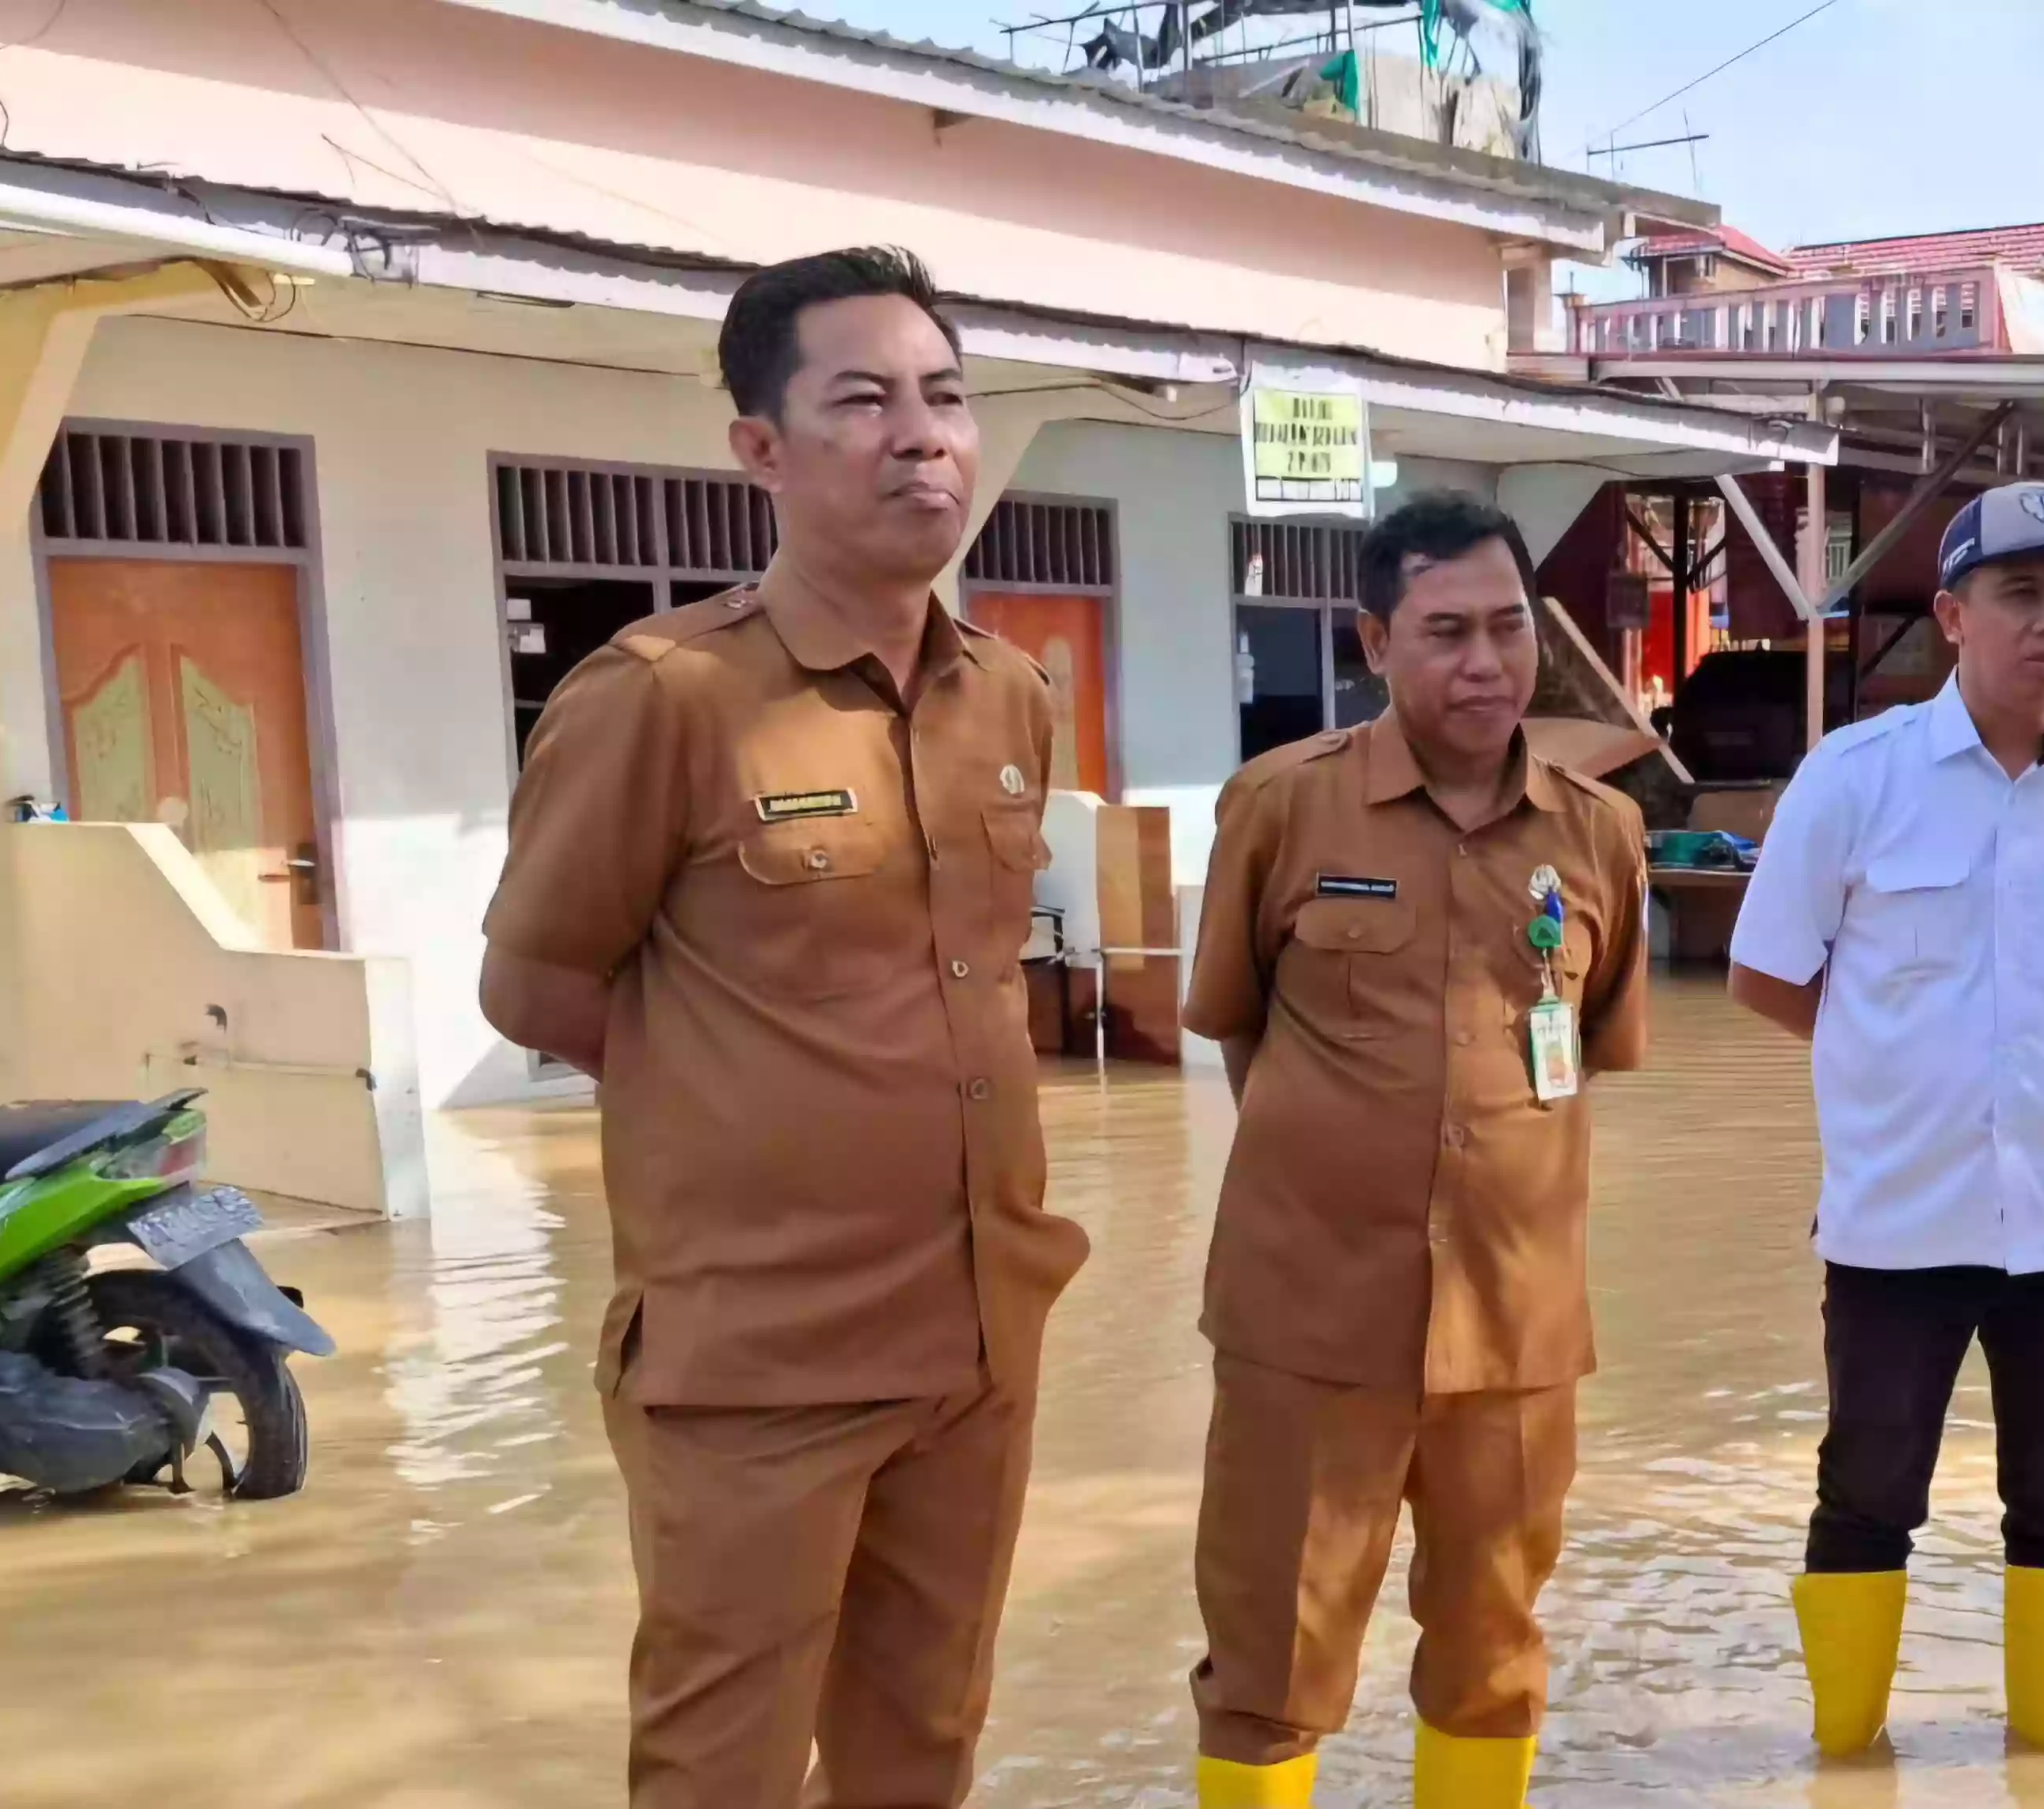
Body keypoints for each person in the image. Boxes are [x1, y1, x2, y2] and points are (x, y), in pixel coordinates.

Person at [478, 246, 1088, 1808]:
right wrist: (751, 1097)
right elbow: (537, 991)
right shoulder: (663, 698)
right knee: (724, 1767)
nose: (922, 436)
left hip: (976, 1334)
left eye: (946, 397)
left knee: (921, 1749)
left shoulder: (1008, 697)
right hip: (758, 1359)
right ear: (761, 447)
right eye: (864, 401)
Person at [1727, 482, 2044, 1758]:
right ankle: (1844, 1766)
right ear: (1954, 615)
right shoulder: (1854, 780)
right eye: (2022, 594)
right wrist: (1891, 1059)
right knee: (1865, 1500)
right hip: (1898, 1223)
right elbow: (1766, 975)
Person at [1179, 491, 1653, 1809]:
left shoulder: (1599, 833)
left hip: (1514, 1333)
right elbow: (1240, 1029)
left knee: (1494, 1658)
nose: (1487, 663)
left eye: (1510, 628)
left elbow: (1587, 1048)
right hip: (1309, 1326)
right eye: (1446, 633)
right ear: (1376, 641)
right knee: (1269, 1660)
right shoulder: (1282, 807)